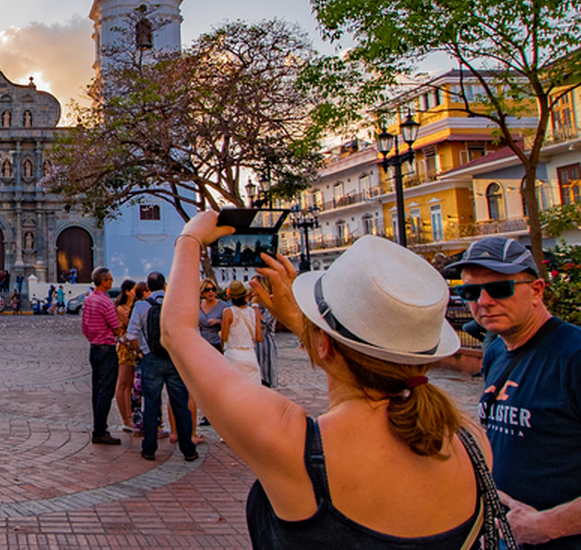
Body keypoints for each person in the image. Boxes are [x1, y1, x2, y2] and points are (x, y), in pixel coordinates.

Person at [166, 213, 507, 549]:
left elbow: (178, 334)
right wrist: (315, 330)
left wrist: (190, 239)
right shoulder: (470, 439)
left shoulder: (295, 446)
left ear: (325, 343)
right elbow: (363, 365)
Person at [443, 237, 581, 548]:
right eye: (470, 292)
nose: (484, 301)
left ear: (537, 290)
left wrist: (548, 525)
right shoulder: (496, 353)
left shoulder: (573, 356)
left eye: (500, 288)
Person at [127, 271, 199, 463]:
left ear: (148, 287)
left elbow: (131, 335)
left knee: (150, 405)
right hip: (174, 358)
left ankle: (149, 448)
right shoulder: (176, 304)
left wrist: (140, 352)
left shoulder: (142, 305)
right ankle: (188, 449)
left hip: (151, 359)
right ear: (165, 285)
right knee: (180, 405)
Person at [81, 266, 122, 446]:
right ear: (104, 281)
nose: (112, 281)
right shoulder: (106, 302)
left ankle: (99, 427)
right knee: (106, 390)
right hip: (107, 348)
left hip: (95, 348)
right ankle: (100, 430)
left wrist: (93, 337)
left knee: (97, 389)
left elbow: (84, 326)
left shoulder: (89, 300)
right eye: (110, 279)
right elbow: (115, 326)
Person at [221, 280, 262, 382]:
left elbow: (224, 337)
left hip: (233, 355)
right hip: (250, 355)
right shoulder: (253, 312)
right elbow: (259, 338)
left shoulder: (228, 312)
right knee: (253, 389)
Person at [114, 279, 140, 432]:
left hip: (132, 347)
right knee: (123, 383)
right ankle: (125, 418)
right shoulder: (121, 309)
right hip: (124, 348)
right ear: (127, 291)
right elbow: (131, 324)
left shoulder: (133, 306)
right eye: (134, 289)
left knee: (130, 384)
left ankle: (130, 416)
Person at [252, 276, 278, 387]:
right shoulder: (251, 304)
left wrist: (255, 306)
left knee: (266, 379)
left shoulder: (271, 304)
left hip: (265, 346)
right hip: (252, 347)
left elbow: (263, 322)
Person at [198, 279, 227, 352]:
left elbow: (229, 326)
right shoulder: (198, 305)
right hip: (202, 344)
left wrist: (219, 322)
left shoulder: (223, 306)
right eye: (207, 290)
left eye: (213, 289)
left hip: (218, 344)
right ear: (202, 291)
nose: (211, 292)